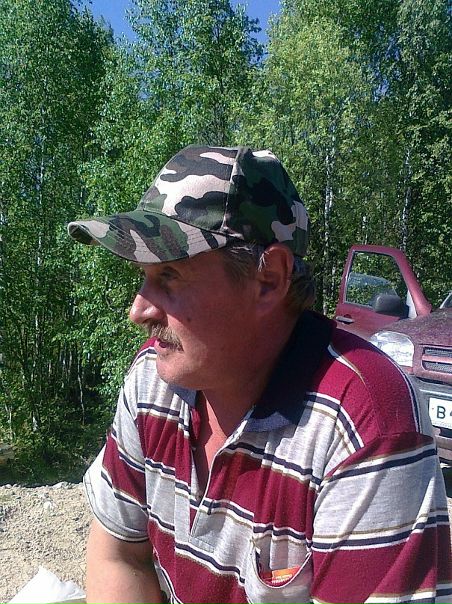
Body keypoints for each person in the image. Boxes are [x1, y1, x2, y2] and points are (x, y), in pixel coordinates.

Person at [68, 145, 451, 604]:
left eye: (169, 276)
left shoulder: (367, 422)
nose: (138, 311)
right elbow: (120, 556)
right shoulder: (153, 380)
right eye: (143, 277)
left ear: (268, 279)